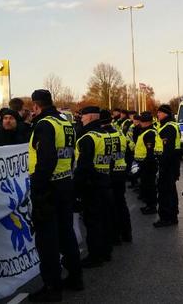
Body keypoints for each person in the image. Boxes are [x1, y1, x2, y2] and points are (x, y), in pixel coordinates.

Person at [28, 89, 82, 302]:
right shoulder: (65, 122)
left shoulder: (44, 124)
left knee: (47, 241)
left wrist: (38, 189)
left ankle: (52, 287)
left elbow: (46, 160)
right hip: (65, 183)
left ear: (35, 106)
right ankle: (76, 278)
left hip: (48, 188)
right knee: (66, 234)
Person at [74, 106, 114, 268]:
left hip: (92, 186)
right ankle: (106, 251)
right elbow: (110, 160)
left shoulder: (87, 138)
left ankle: (95, 256)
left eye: (82, 117)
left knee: (93, 222)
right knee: (105, 219)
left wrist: (76, 191)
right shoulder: (106, 134)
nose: (81, 119)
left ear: (89, 117)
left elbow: (83, 167)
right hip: (105, 181)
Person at [99, 110, 132, 243]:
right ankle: (127, 234)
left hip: (109, 173)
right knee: (121, 203)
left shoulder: (102, 136)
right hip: (121, 172)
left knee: (109, 206)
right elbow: (128, 151)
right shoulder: (120, 133)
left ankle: (115, 236)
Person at [154, 104, 181, 227]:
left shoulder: (167, 128)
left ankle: (166, 218)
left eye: (159, 113)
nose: (158, 115)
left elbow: (167, 151)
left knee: (165, 192)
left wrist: (162, 166)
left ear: (165, 113)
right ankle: (173, 216)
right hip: (173, 164)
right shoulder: (172, 125)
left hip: (167, 165)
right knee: (171, 191)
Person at [136, 111, 163, 215]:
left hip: (148, 164)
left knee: (150, 186)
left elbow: (150, 151)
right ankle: (148, 205)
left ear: (146, 122)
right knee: (146, 185)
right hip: (145, 163)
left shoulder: (149, 133)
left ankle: (151, 207)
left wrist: (146, 164)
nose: (140, 124)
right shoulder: (146, 131)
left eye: (141, 122)